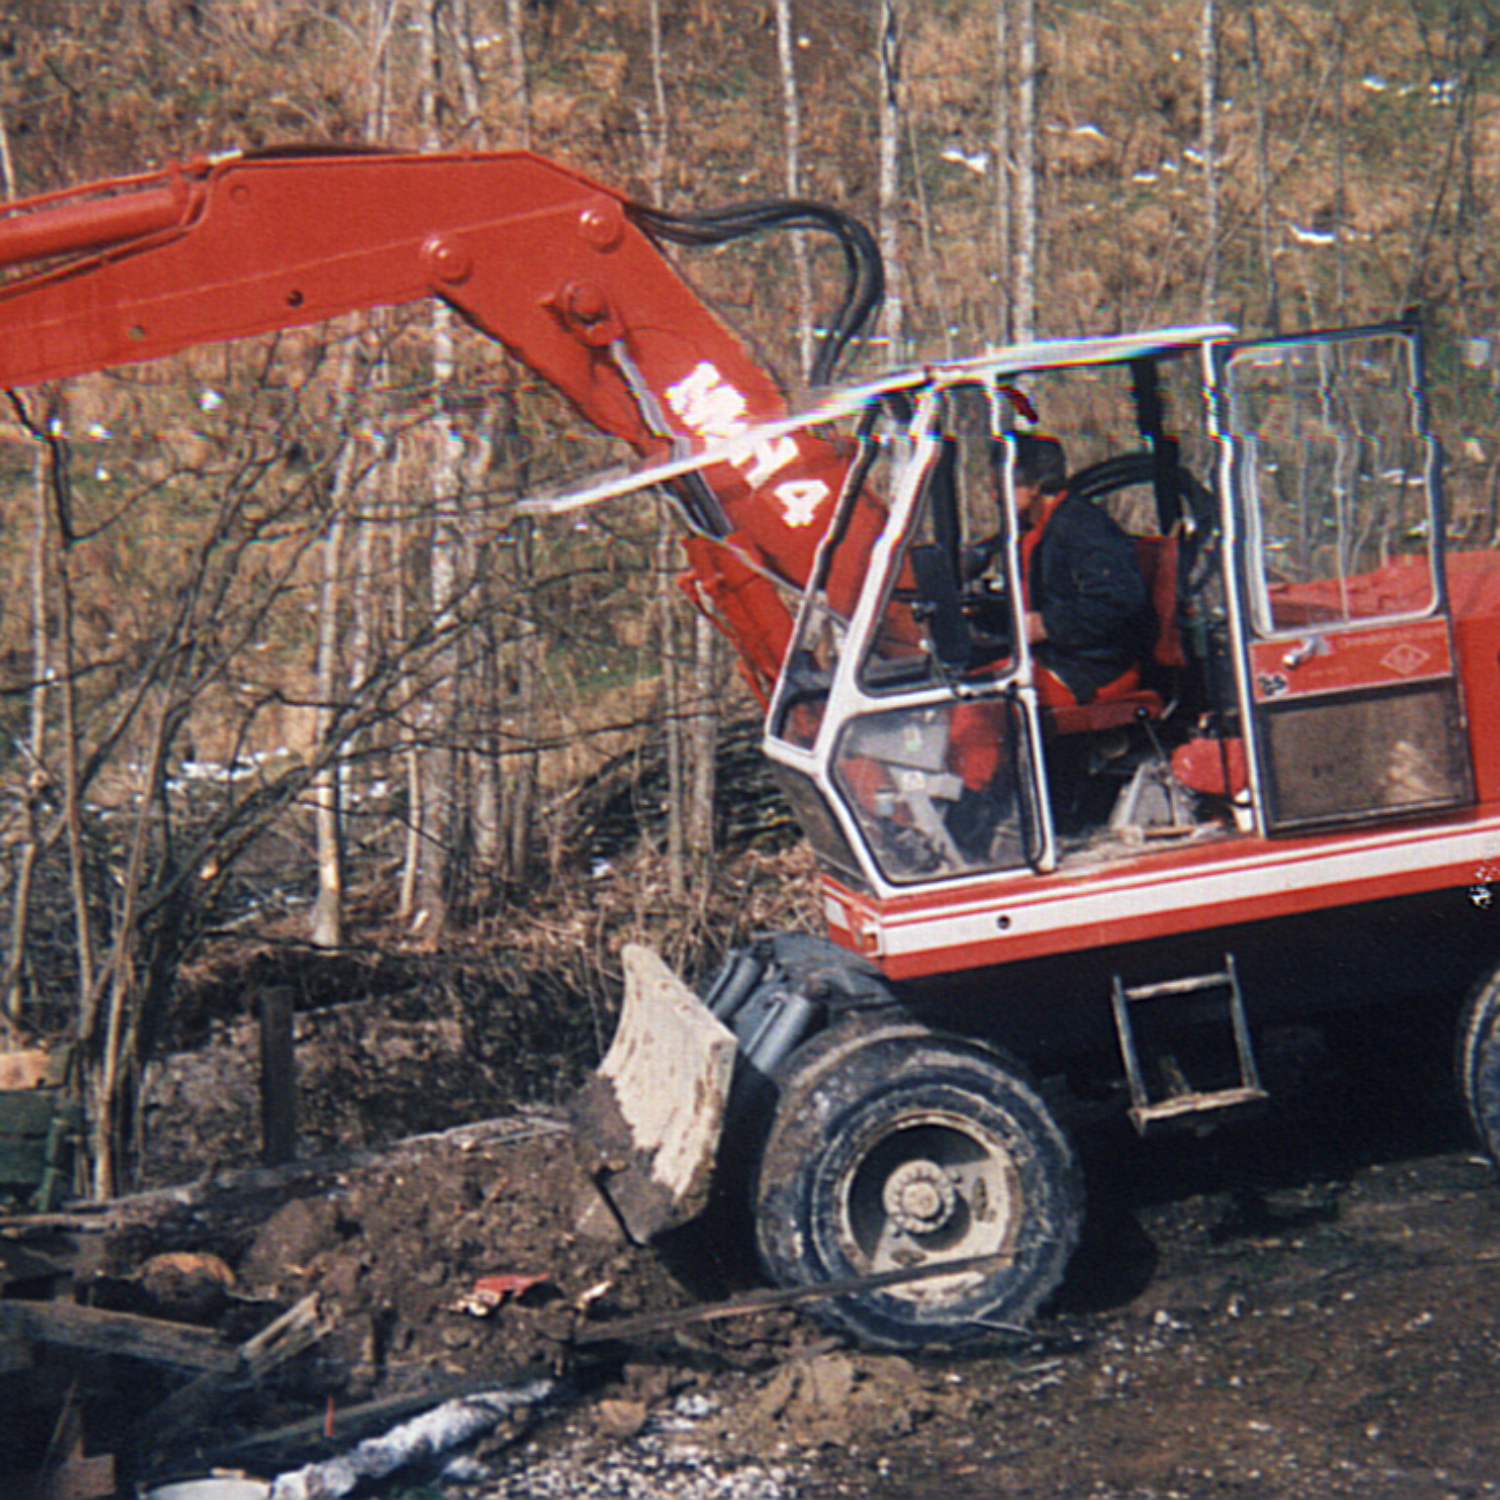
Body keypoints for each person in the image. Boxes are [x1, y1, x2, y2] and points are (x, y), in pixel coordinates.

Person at [1008, 433, 1152, 707]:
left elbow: (1119, 602)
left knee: (977, 711)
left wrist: (1046, 625)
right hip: (1052, 655)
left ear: (1034, 486)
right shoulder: (1033, 531)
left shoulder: (1084, 526)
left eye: (1002, 486)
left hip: (1094, 665)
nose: (994, 496)